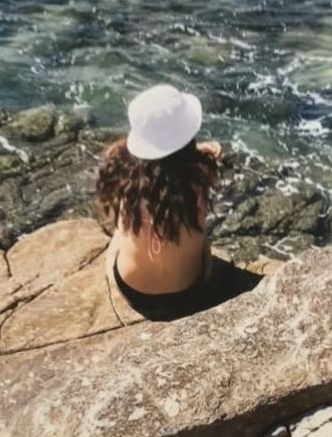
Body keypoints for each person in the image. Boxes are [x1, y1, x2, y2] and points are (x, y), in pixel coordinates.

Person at [96, 84, 260, 322]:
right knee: (200, 238)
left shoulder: (123, 176)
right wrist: (204, 153)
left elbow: (132, 160)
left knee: (122, 231)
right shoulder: (200, 177)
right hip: (191, 291)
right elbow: (208, 155)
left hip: (131, 290)